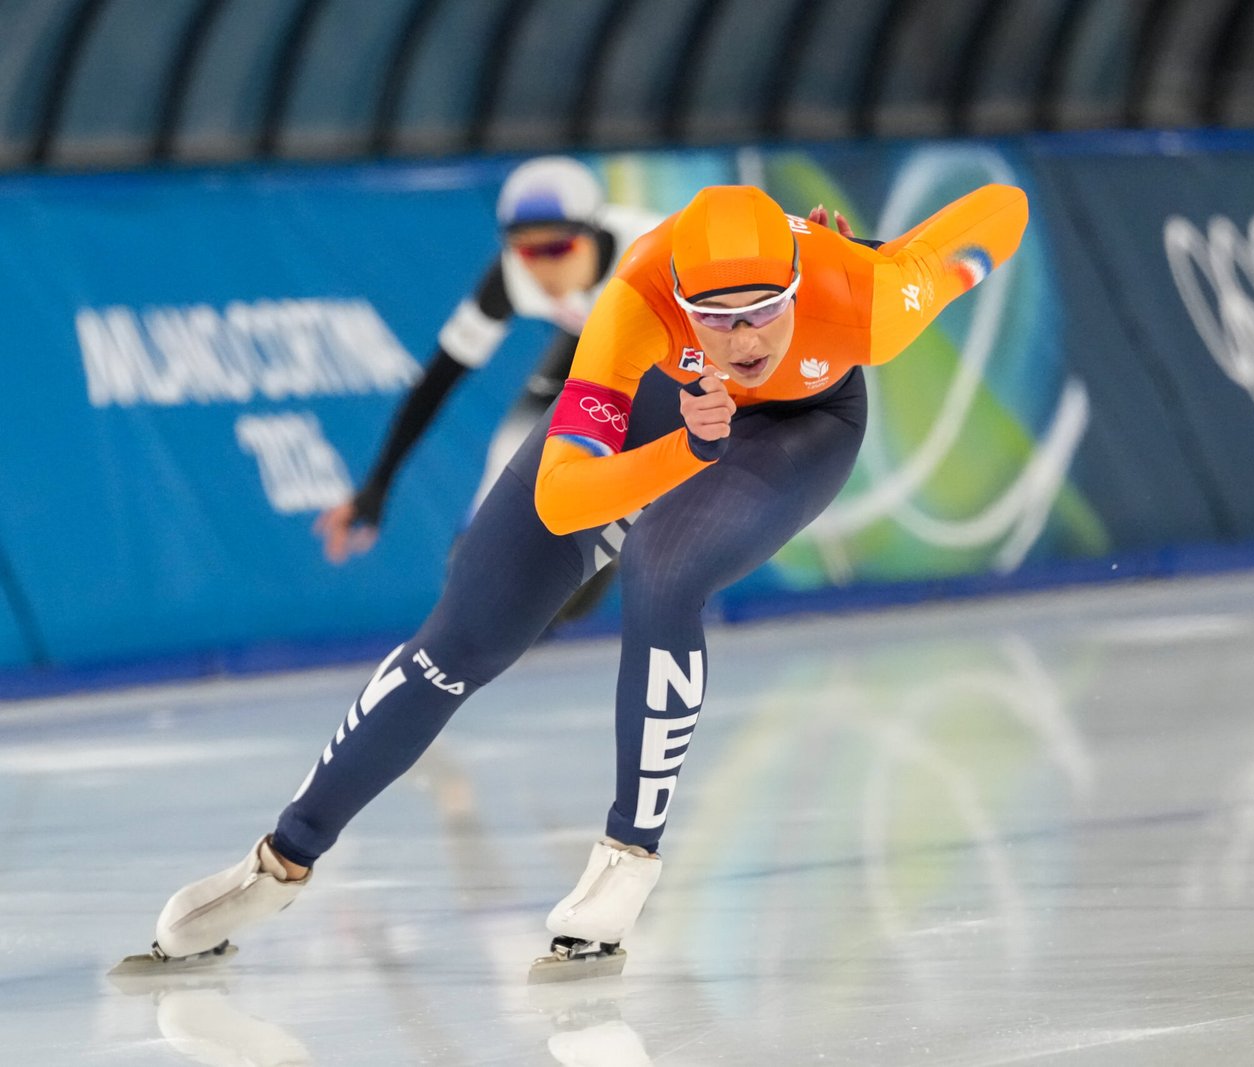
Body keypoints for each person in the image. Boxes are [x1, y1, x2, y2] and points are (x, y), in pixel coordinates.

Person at [119, 180, 1029, 980]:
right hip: (671, 407)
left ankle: (627, 858)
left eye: (764, 310)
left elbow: (1002, 209)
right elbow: (561, 498)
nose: (745, 339)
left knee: (660, 568)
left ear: (799, 284)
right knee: (460, 636)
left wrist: (878, 251)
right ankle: (280, 860)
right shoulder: (633, 296)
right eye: (717, 316)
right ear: (680, 301)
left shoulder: (870, 299)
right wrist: (686, 446)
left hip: (803, 424)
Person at [314, 155, 662, 570]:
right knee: (511, 454)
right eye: (525, 250)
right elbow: (438, 381)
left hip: (677, 352)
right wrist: (378, 484)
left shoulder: (653, 254)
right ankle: (477, 574)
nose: (542, 267)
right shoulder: (511, 275)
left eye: (557, 247)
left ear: (595, 230)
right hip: (596, 342)